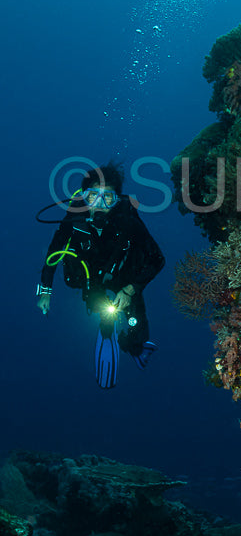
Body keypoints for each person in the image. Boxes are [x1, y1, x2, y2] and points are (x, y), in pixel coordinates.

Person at [37, 162, 165, 388]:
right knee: (102, 307)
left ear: (117, 200)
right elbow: (52, 254)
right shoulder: (74, 219)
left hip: (125, 278)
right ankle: (107, 324)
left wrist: (131, 289)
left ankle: (132, 345)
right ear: (83, 197)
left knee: (139, 338)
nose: (100, 205)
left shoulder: (128, 220)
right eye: (93, 196)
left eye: (108, 198)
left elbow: (158, 259)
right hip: (91, 279)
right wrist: (45, 292)